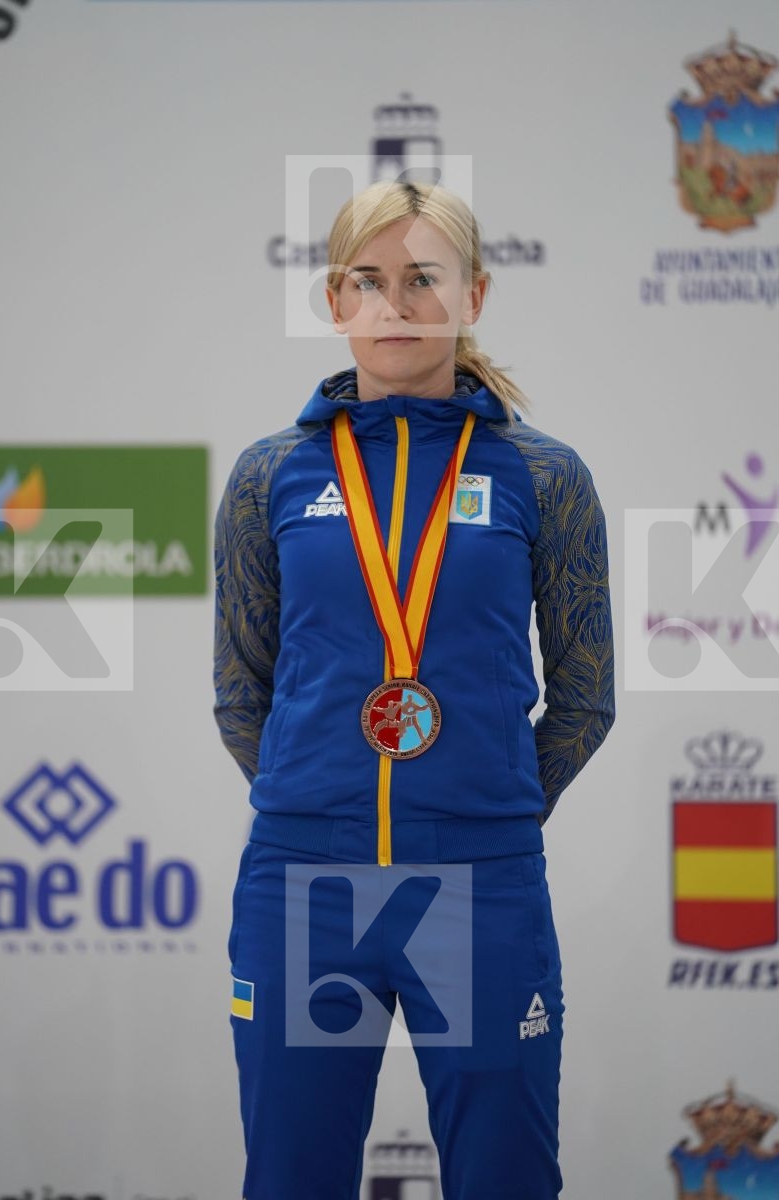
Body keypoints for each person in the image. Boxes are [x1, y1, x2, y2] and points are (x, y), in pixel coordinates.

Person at [213, 178, 615, 1200]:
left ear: (472, 294)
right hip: (308, 887)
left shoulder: (543, 474)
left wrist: (482, 804)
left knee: (503, 1179)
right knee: (293, 1177)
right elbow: (239, 690)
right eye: (368, 280)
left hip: (478, 887)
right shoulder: (271, 477)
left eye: (422, 279)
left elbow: (583, 694)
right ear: (334, 299)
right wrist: (324, 800)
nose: (394, 304)